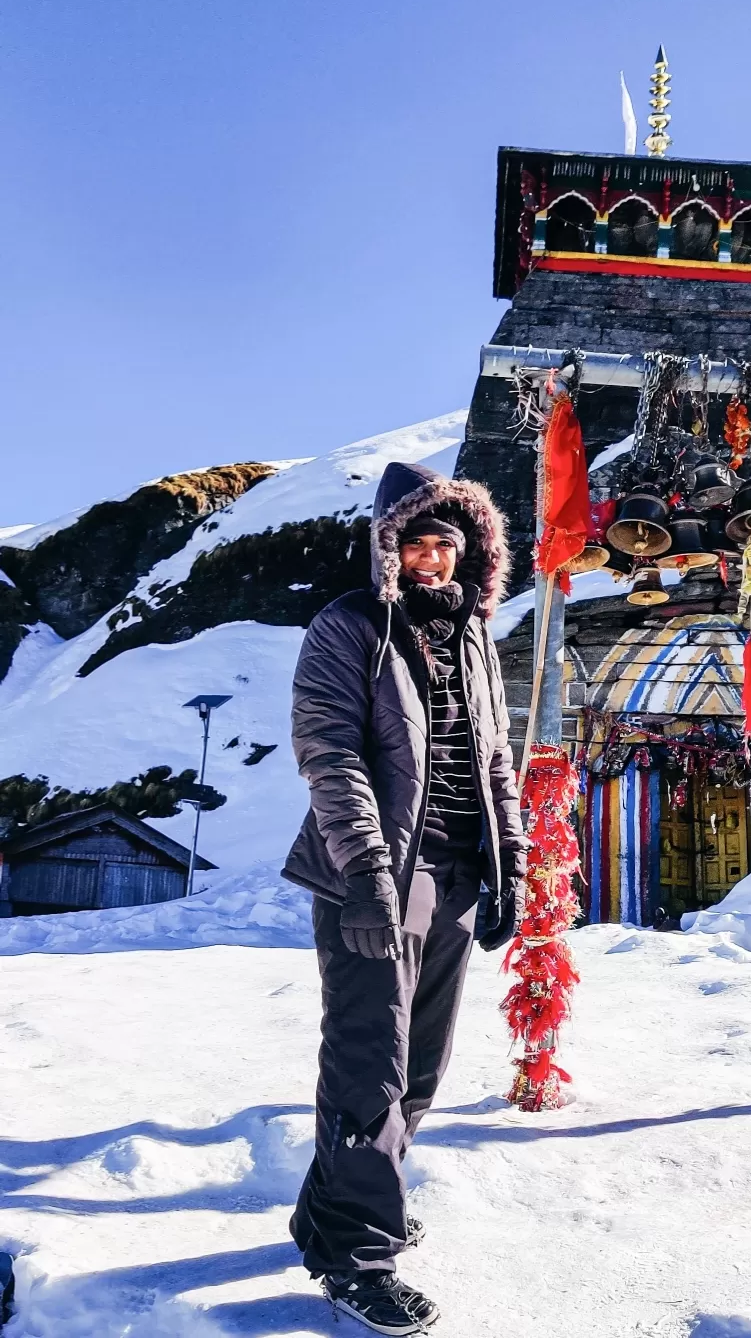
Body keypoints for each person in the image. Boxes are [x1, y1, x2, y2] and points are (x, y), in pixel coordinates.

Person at [282, 461, 527, 1335]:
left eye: (444, 547)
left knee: (418, 1070)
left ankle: (331, 1214)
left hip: (459, 874)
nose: (430, 560)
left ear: (470, 557)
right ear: (387, 546)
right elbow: (330, 754)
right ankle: (358, 1256)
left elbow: (497, 760)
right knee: (367, 1066)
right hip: (377, 874)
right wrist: (367, 874)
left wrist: (514, 866)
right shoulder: (350, 627)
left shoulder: (476, 641)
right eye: (414, 543)